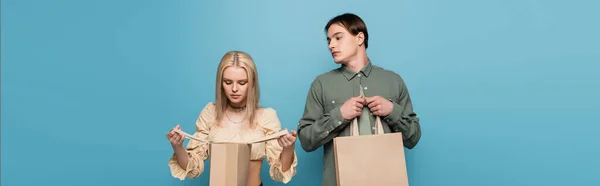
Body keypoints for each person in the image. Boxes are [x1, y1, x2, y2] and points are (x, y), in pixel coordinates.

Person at [296, 13, 422, 186]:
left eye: (338, 38)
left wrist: (392, 111)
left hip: (387, 180)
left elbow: (413, 138)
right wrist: (339, 115)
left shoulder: (393, 81)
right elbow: (306, 140)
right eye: (329, 41)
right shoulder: (321, 84)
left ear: (360, 38)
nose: (331, 45)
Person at [166, 51, 298, 186]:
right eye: (228, 82)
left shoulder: (266, 116)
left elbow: (281, 173)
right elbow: (192, 169)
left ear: (252, 83)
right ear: (220, 83)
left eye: (242, 82)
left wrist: (288, 148)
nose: (234, 89)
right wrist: (177, 146)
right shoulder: (210, 113)